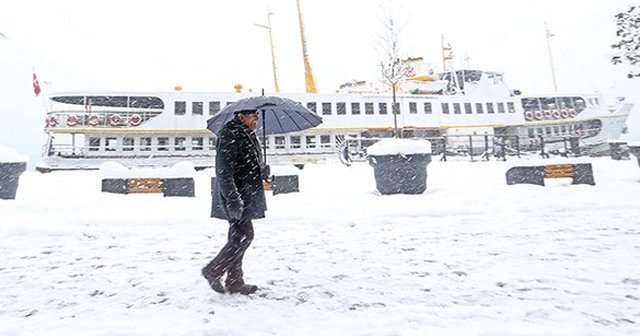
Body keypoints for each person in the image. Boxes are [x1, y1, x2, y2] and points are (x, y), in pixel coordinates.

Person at [202, 109, 268, 295]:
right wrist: (233, 198)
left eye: (258, 116)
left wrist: (263, 171)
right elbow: (223, 170)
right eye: (253, 116)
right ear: (241, 117)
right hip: (235, 195)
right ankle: (213, 270)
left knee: (238, 237)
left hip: (244, 193)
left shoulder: (247, 135)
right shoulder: (230, 134)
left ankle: (234, 281)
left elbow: (246, 163)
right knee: (244, 236)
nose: (256, 120)